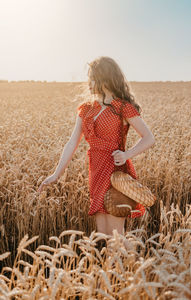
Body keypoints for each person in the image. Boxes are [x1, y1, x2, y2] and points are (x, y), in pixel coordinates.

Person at [38, 56, 155, 238]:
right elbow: (72, 143)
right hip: (96, 172)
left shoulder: (122, 108)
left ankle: (136, 266)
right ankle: (118, 267)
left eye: (92, 77)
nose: (88, 82)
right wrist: (56, 174)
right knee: (103, 235)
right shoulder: (86, 109)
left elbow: (149, 138)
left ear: (105, 78)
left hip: (115, 174)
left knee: (116, 236)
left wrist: (126, 154)